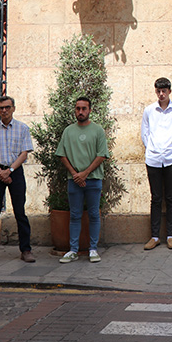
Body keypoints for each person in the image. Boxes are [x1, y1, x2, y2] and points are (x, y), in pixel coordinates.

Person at [0, 95, 35, 264]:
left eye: (7, 107)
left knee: (20, 212)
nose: (4, 110)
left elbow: (24, 153)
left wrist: (9, 171)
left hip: (15, 172)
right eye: (1, 108)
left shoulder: (22, 128)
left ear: (13, 108)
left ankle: (26, 250)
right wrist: (0, 172)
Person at [56, 97, 109, 264]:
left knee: (94, 214)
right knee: (75, 215)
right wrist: (74, 174)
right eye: (78, 108)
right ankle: (73, 250)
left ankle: (93, 249)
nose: (80, 112)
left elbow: (101, 155)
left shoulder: (98, 130)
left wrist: (84, 173)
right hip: (74, 180)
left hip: (93, 180)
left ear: (90, 110)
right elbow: (62, 154)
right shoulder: (68, 131)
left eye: (84, 108)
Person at [141, 77, 172, 251]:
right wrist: (152, 149)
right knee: (155, 198)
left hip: (171, 158)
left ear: (169, 91)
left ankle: (171, 236)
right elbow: (144, 134)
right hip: (153, 159)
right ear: (156, 91)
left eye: (164, 91)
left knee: (171, 197)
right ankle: (154, 237)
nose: (161, 94)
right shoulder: (148, 111)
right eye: (158, 91)